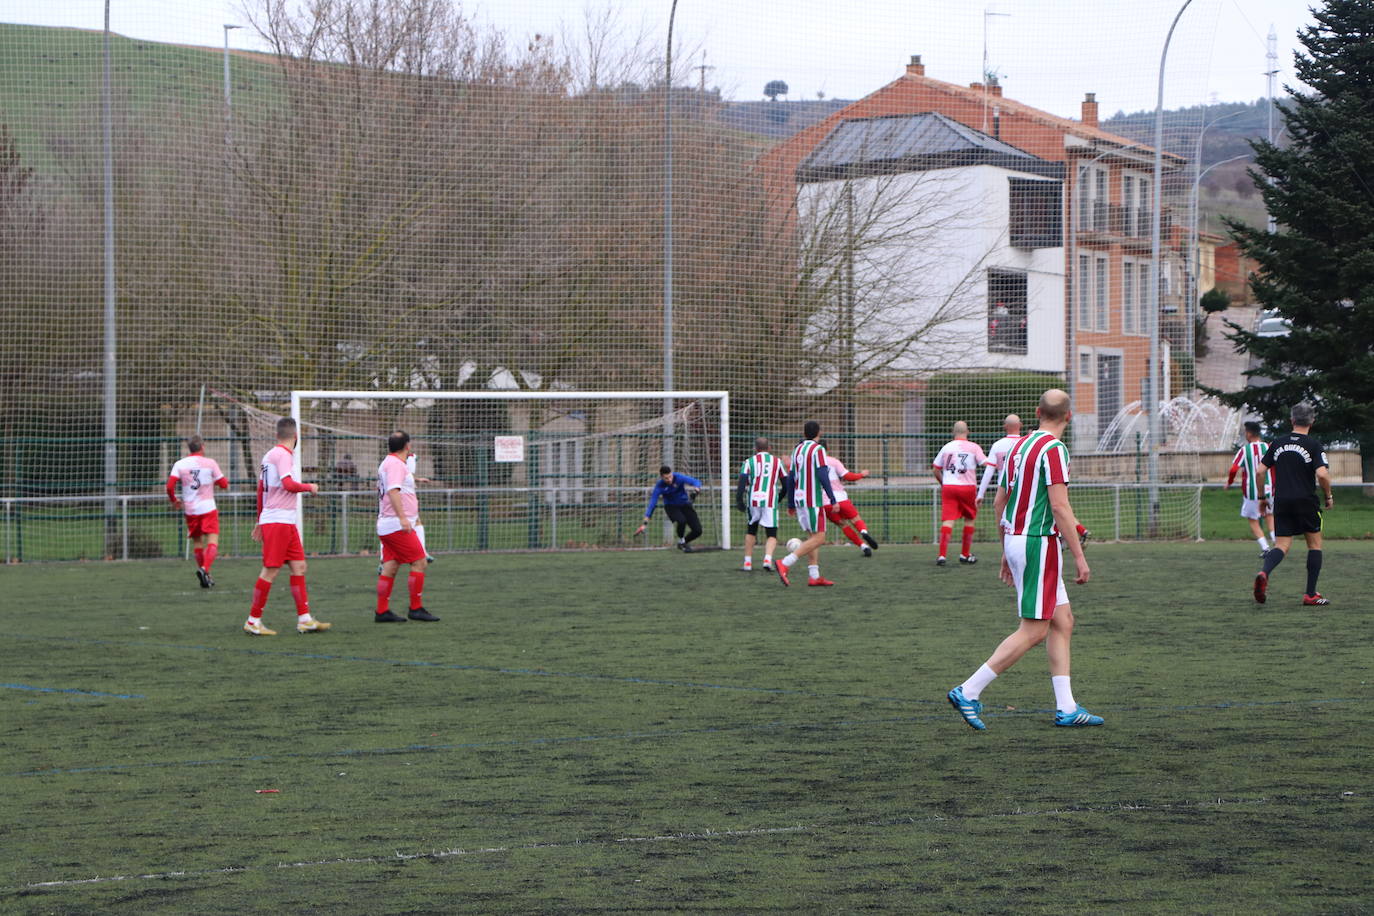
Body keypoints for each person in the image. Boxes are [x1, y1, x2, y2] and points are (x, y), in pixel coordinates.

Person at [947, 389, 1100, 730]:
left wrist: (1006, 549)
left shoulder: (1018, 446)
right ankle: (968, 691)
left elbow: (1000, 502)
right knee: (1034, 631)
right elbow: (1060, 507)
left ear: (1036, 412)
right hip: (1037, 544)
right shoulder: (1055, 450)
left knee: (1063, 622)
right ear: (1069, 417)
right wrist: (1079, 557)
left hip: (1019, 540)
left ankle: (1067, 707)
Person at [244, 417, 331, 636]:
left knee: (299, 566)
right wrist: (309, 486)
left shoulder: (269, 455)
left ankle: (304, 619)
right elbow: (288, 484)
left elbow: (262, 490)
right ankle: (253, 620)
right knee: (270, 570)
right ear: (296, 436)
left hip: (283, 520)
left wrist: (259, 520)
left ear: (276, 435)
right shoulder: (283, 455)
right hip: (278, 520)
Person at [1253, 402, 1334, 606]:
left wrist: (1262, 498)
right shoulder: (1314, 445)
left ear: (1292, 420)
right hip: (1306, 501)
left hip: (1282, 501)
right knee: (1314, 545)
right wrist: (1328, 496)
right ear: (1312, 421)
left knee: (1281, 545)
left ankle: (1264, 572)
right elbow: (1322, 474)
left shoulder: (1277, 443)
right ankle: (1310, 594)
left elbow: (1260, 471)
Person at [375, 431, 440, 623]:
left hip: (387, 523)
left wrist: (414, 481)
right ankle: (416, 608)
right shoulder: (395, 464)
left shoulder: (388, 462)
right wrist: (403, 518)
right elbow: (393, 490)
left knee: (390, 567)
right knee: (420, 562)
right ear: (408, 446)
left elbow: (393, 485)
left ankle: (382, 611)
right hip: (396, 524)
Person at [774, 420, 837, 587]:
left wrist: (790, 504)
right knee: (820, 537)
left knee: (812, 536)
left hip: (800, 498)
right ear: (819, 433)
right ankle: (785, 563)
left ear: (804, 434)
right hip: (813, 500)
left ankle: (814, 576)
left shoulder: (797, 449)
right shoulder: (818, 449)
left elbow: (791, 478)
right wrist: (832, 499)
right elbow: (823, 475)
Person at [166, 435, 228, 588]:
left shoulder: (180, 464)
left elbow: (169, 486)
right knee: (212, 541)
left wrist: (174, 501)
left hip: (191, 509)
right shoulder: (210, 463)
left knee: (198, 542)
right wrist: (214, 482)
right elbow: (224, 484)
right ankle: (204, 569)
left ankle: (206, 576)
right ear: (202, 447)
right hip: (208, 508)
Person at [932, 421, 989, 566]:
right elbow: (985, 463)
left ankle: (942, 555)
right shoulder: (974, 447)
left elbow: (935, 468)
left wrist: (943, 482)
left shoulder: (946, 447)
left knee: (948, 520)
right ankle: (964, 554)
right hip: (967, 487)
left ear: (953, 432)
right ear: (967, 431)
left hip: (950, 486)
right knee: (969, 518)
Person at [818, 439, 879, 557]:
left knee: (843, 525)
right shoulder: (833, 461)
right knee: (856, 519)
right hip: (841, 498)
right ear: (827, 448)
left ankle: (863, 546)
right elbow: (848, 476)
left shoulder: (812, 464)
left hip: (825, 502)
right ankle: (864, 532)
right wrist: (861, 474)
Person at [1227, 421, 1277, 556]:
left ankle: (1265, 548)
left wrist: (1229, 482)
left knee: (1253, 520)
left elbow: (1233, 469)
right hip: (1269, 489)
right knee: (1270, 516)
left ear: (1249, 433)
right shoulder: (1268, 447)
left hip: (1251, 491)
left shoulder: (1245, 450)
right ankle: (1277, 544)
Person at [736, 437, 784, 571]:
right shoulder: (777, 462)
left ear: (755, 449)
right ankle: (767, 559)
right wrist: (779, 498)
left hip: (754, 499)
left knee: (751, 529)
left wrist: (739, 500)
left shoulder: (748, 462)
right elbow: (785, 484)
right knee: (772, 533)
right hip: (770, 500)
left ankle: (747, 562)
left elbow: (742, 482)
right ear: (769, 448)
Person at [635, 466, 703, 551]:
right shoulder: (659, 486)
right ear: (662, 477)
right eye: (666, 478)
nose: (670, 479)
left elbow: (696, 481)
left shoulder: (678, 477)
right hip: (671, 507)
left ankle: (682, 542)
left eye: (670, 476)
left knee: (698, 531)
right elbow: (652, 504)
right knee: (681, 521)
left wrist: (697, 488)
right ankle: (682, 540)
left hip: (685, 505)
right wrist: (644, 524)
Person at [976, 414, 1022, 509]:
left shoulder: (997, 445)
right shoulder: (1026, 444)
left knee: (1002, 519)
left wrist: (980, 494)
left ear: (1005, 426)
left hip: (1004, 488)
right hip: (1023, 487)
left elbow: (989, 472)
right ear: (1020, 425)